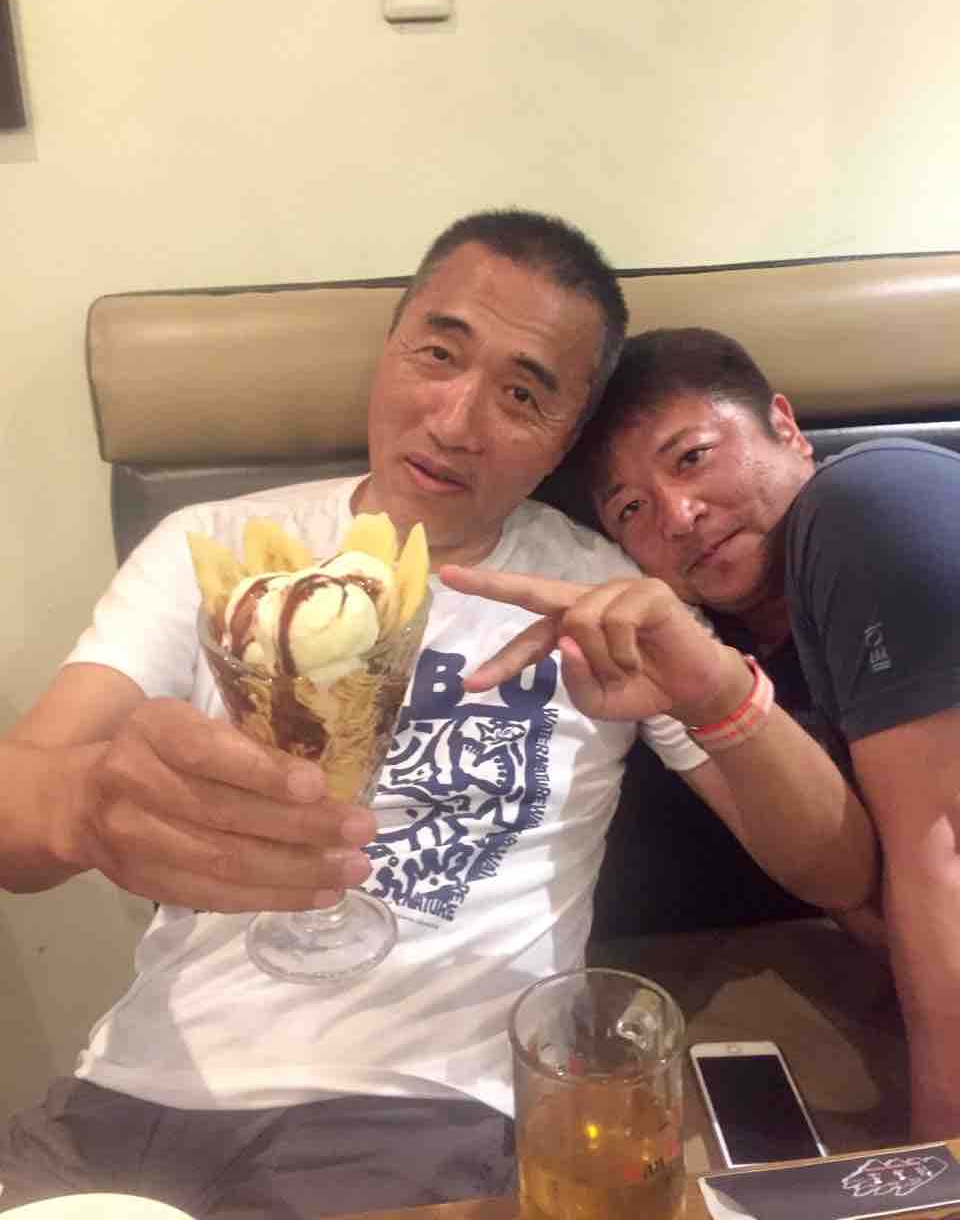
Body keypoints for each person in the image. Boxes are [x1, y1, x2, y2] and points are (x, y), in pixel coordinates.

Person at [0, 230, 873, 1217]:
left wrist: (714, 691)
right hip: (124, 1103)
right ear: (389, 351)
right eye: (438, 352)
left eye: (523, 394)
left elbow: (839, 871)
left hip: (418, 1118)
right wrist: (85, 804)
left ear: (565, 438)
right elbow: (16, 818)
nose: (455, 422)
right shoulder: (215, 550)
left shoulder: (603, 593)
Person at [448, 325, 960, 1141]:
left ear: (785, 427)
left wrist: (941, 1165)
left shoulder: (870, 503)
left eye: (691, 458)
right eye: (632, 509)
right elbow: (853, 886)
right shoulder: (734, 652)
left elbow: (944, 857)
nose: (679, 517)